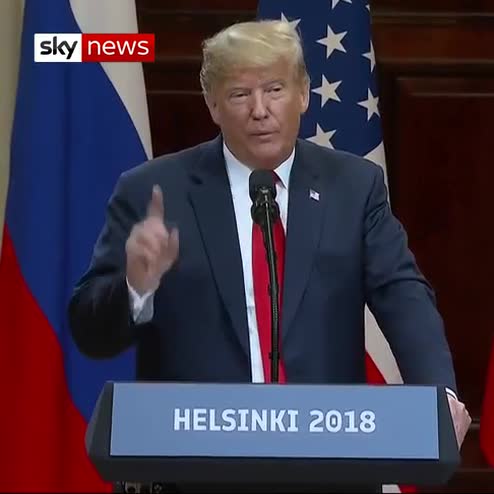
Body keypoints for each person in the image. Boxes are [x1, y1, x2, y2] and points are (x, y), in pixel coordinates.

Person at [68, 19, 470, 492]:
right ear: (213, 105)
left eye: (275, 90)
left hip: (326, 469)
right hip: (194, 473)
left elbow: (403, 295)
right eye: (240, 95)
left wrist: (440, 395)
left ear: (303, 94)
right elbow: (91, 334)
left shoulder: (353, 187)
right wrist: (135, 286)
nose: (260, 110)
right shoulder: (153, 191)